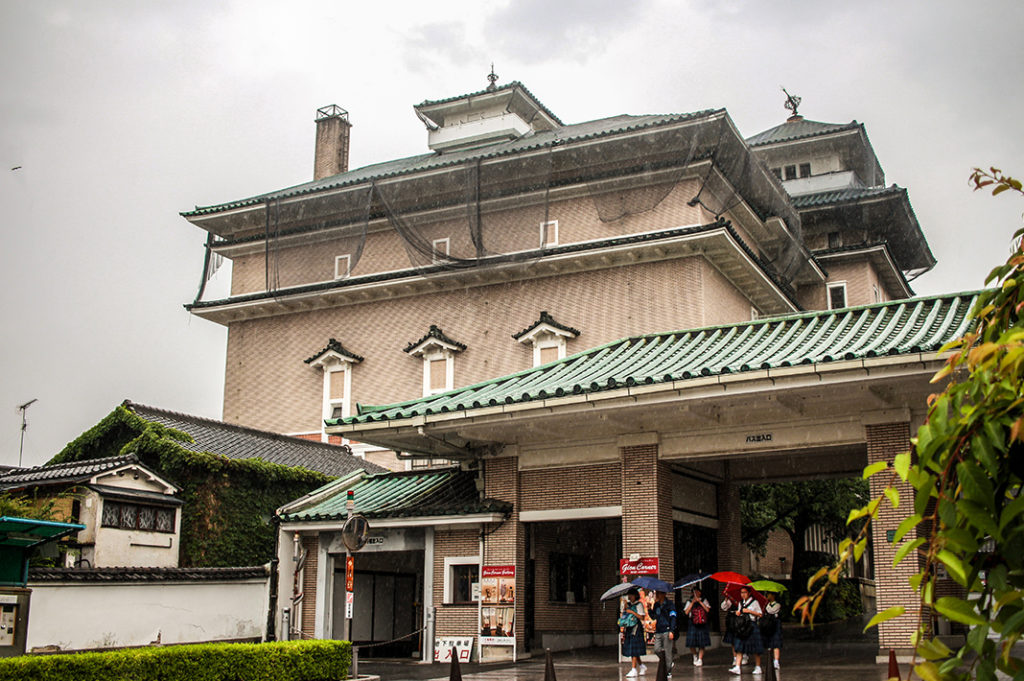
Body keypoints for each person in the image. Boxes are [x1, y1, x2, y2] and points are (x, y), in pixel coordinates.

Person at [729, 586, 763, 675]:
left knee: (755, 648)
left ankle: (758, 666)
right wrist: (738, 613)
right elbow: (740, 613)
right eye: (741, 593)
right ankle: (737, 666)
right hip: (742, 626)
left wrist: (750, 611)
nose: (743, 595)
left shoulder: (755, 602)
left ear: (749, 593)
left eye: (744, 592)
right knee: (739, 646)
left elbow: (760, 614)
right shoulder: (740, 603)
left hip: (751, 625)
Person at [621, 589, 648, 677]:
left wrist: (632, 612)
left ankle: (633, 669)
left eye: (631, 595)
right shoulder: (628, 604)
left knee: (634, 648)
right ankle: (641, 666)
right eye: (629, 595)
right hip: (629, 627)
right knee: (633, 649)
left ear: (635, 595)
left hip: (636, 628)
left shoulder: (639, 604)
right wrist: (625, 607)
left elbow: (642, 617)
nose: (630, 597)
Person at [650, 590, 677, 676]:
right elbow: (654, 616)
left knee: (668, 652)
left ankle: (668, 671)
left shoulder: (670, 604)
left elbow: (673, 617)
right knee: (657, 649)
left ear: (664, 594)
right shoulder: (656, 604)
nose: (657, 595)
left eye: (659, 593)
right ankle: (667, 662)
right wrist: (649, 609)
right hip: (658, 630)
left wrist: (671, 630)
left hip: (667, 630)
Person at [683, 586, 711, 666]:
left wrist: (700, 602)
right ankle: (695, 655)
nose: (696, 593)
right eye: (694, 592)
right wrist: (692, 603)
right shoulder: (689, 601)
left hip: (702, 623)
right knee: (691, 643)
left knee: (702, 643)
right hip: (693, 623)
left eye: (697, 592)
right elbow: (686, 612)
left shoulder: (704, 600)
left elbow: (707, 610)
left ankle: (700, 658)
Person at [761, 591, 783, 670]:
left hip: (775, 624)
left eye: (769, 594)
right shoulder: (766, 604)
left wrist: (765, 603)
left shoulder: (777, 605)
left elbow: (771, 610)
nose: (767, 596)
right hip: (768, 625)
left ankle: (776, 661)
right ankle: (770, 660)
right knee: (769, 642)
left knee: (776, 643)